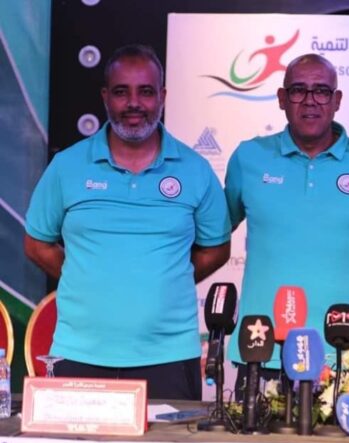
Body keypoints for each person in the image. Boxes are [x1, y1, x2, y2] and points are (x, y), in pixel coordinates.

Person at [24, 44, 231, 400]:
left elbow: (217, 248)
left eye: (146, 91)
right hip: (79, 353)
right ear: (105, 97)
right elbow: (36, 244)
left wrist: (168, 279)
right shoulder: (67, 167)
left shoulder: (195, 170)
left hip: (169, 357)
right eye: (122, 92)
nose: (134, 103)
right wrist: (84, 277)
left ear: (162, 96)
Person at [225, 54, 349, 383]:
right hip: (261, 349)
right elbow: (215, 232)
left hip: (341, 353)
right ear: (282, 98)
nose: (310, 101)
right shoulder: (249, 157)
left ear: (337, 100)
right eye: (298, 90)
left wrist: (347, 251)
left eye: (322, 91)